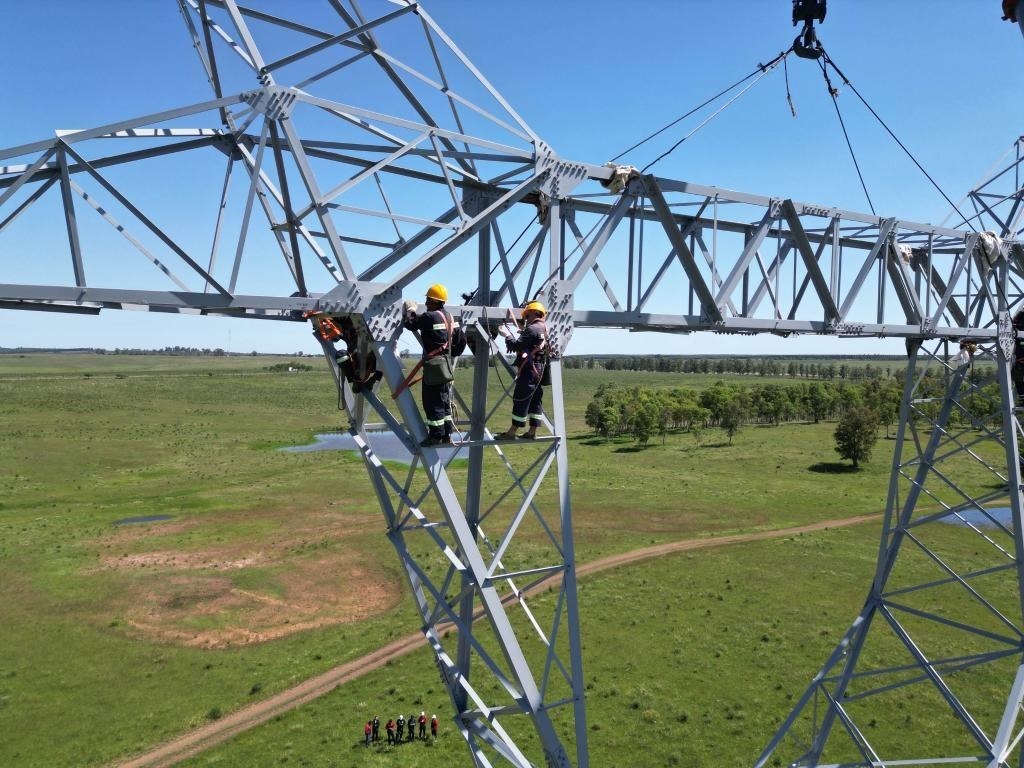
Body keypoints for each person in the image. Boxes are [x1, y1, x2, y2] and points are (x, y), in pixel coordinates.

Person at [402, 284, 466, 447]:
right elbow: (461, 342)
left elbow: (410, 324)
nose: (426, 302)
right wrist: (450, 355)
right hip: (446, 365)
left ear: (433, 301)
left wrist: (411, 310)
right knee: (444, 400)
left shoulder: (429, 317)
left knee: (432, 401)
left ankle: (436, 436)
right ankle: (446, 433)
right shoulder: (451, 318)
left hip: (434, 366)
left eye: (428, 299)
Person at [497, 300, 549, 440]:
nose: (526, 319)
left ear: (533, 313)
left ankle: (511, 432)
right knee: (535, 400)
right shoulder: (543, 328)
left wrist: (506, 335)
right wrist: (523, 331)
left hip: (529, 370)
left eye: (527, 316)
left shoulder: (532, 329)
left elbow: (516, 345)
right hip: (538, 370)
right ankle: (532, 432)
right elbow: (529, 342)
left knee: (521, 398)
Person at [1013, 311, 1024, 405]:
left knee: (1018, 379)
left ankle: (1022, 396)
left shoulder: (1020, 315)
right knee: (1018, 378)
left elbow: (1013, 324)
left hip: (1020, 360)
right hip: (1020, 360)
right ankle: (1022, 396)